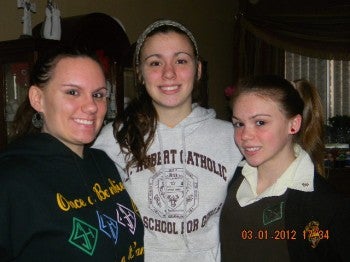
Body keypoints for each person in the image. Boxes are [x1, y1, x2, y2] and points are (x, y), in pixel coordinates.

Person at [93, 20, 242, 262]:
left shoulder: (233, 138)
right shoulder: (112, 138)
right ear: (140, 74)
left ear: (199, 69)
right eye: (155, 62)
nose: (169, 73)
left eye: (181, 60)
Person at [0, 47, 144, 261]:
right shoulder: (11, 180)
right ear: (37, 98)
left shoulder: (105, 162)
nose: (91, 106)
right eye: (72, 92)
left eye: (98, 95)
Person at [220, 75, 350, 261]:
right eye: (239, 124)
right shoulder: (230, 178)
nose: (245, 135)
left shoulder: (326, 205)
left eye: (260, 122)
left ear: (293, 124)